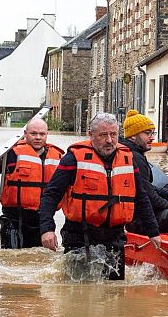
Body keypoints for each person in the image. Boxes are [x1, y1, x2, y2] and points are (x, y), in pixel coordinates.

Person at [38, 113, 161, 280]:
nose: (109, 140)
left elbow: (141, 197)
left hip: (115, 237)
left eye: (113, 135)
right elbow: (51, 195)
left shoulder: (128, 159)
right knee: (77, 296)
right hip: (80, 236)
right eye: (103, 135)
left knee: (115, 294)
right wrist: (47, 229)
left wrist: (153, 232)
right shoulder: (74, 158)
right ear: (91, 136)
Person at [120, 110, 168, 239]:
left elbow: (145, 186)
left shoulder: (131, 153)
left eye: (153, 133)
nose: (152, 137)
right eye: (147, 133)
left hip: (136, 218)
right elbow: (149, 197)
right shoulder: (135, 158)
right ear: (132, 136)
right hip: (142, 221)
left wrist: (167, 194)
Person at [0, 117, 64, 249]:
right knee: (12, 259)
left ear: (47, 135)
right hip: (14, 218)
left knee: (39, 260)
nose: (38, 137)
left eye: (42, 134)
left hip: (42, 219)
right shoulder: (12, 154)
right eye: (33, 134)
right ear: (25, 134)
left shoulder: (58, 157)